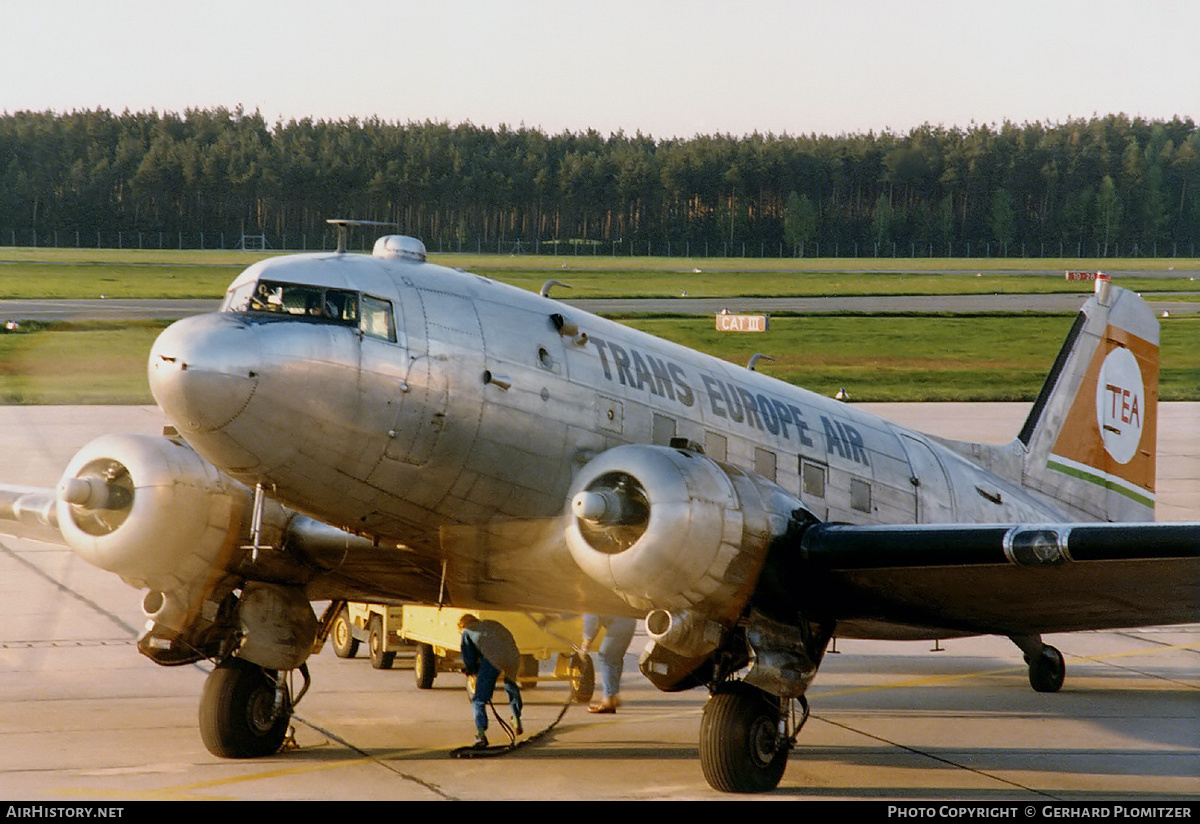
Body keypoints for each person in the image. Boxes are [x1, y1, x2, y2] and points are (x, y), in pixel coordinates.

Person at [458, 613, 523, 748]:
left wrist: (472, 671)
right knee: (511, 684)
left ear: (463, 625)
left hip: (493, 660)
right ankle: (516, 718)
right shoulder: (492, 623)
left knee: (478, 699)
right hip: (514, 656)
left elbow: (469, 658)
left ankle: (481, 734)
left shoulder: (467, 632)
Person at [580, 615, 637, 713]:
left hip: (619, 625)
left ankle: (608, 701)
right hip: (629, 621)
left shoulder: (588, 600)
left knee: (606, 657)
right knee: (614, 658)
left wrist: (586, 642)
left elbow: (591, 618)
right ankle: (614, 696)